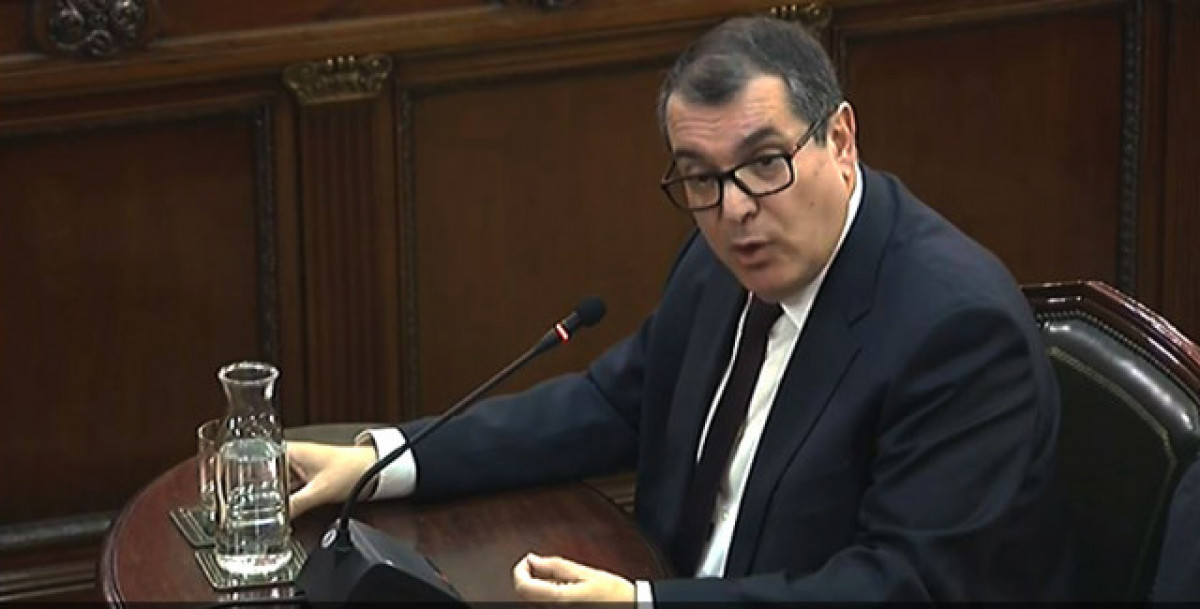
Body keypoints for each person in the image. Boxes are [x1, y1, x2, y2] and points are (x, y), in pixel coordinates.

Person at [287, 16, 1073, 603]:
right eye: (700, 177)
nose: (734, 209)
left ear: (840, 139)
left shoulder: (956, 329)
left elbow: (902, 585)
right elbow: (613, 405)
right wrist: (385, 459)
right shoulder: (717, 262)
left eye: (765, 163)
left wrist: (642, 604)